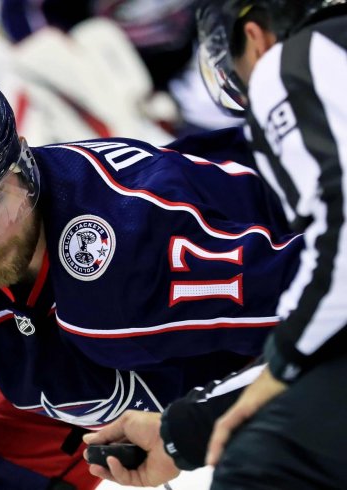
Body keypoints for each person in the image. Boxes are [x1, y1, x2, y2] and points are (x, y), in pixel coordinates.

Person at [0, 64, 303, 490]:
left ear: (23, 171)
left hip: (258, 335)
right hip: (79, 381)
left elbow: (328, 314)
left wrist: (196, 425)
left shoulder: (138, 243)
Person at [84, 0, 347, 488]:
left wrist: (282, 363)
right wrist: (185, 431)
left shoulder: (288, 66)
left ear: (255, 36)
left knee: (264, 462)